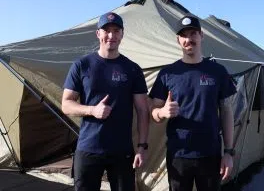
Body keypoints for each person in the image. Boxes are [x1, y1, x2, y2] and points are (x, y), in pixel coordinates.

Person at [61, 12, 149, 191]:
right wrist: (92, 110)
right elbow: (66, 104)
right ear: (98, 34)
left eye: (116, 30)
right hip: (88, 148)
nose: (111, 35)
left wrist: (142, 146)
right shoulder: (82, 65)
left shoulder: (132, 69)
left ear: (122, 34)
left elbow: (142, 110)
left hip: (122, 151)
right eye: (106, 30)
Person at [149, 14, 237, 191]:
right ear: (178, 40)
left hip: (210, 155)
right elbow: (153, 112)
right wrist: (162, 112)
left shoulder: (217, 71)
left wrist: (228, 152)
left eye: (193, 33)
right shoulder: (168, 74)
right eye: (184, 35)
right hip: (178, 155)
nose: (189, 39)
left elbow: (227, 111)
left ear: (201, 35)